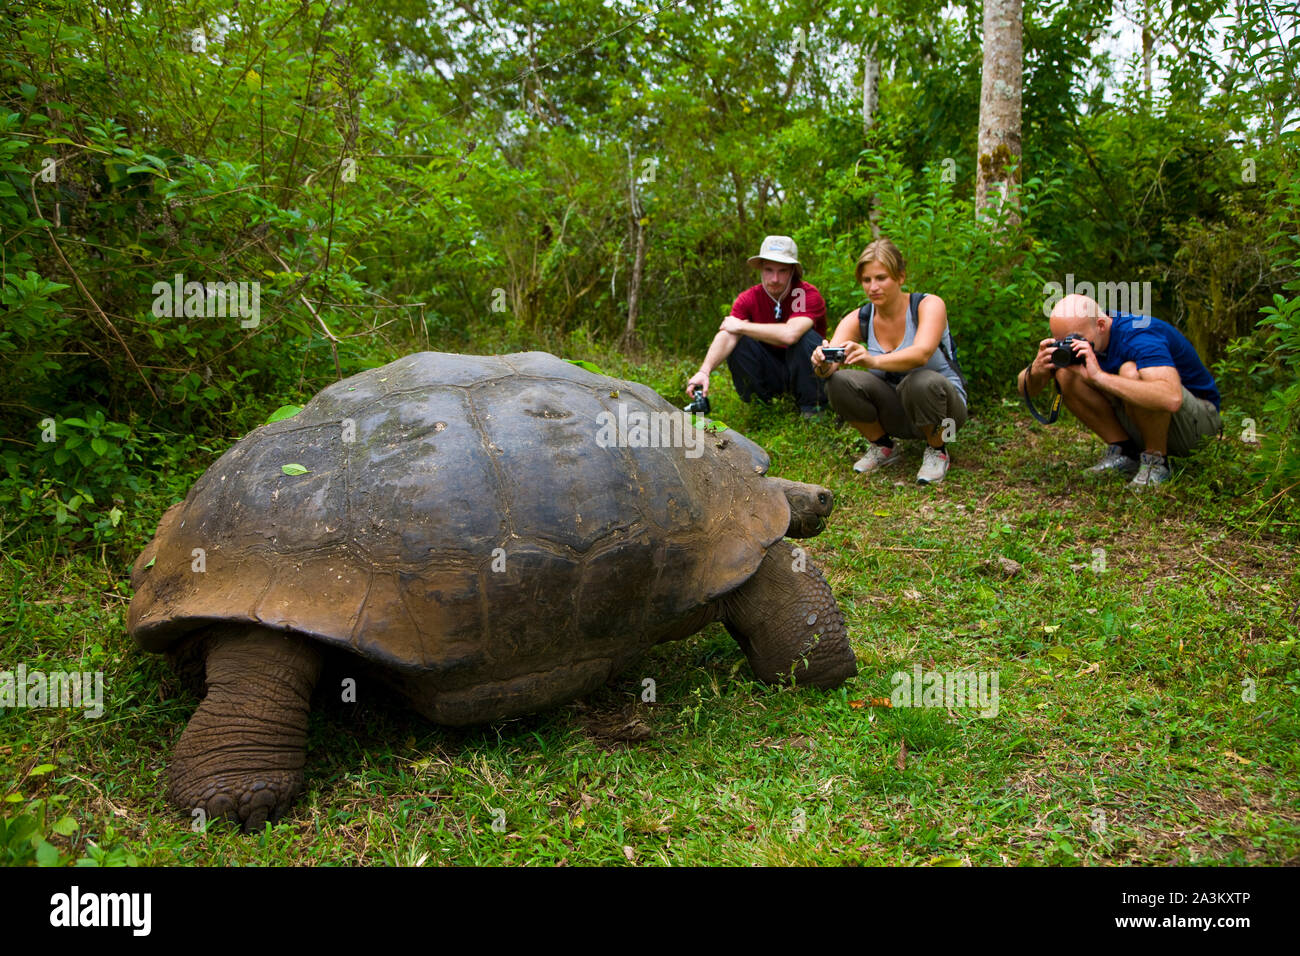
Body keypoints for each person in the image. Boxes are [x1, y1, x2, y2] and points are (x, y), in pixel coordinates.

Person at [1016, 293, 1221, 488]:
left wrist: (1098, 377)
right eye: (1062, 341)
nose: (1070, 346)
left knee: (1130, 372)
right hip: (1151, 421)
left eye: (1074, 339)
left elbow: (1171, 398)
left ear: (1101, 325)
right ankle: (1125, 453)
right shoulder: (1088, 333)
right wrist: (1037, 369)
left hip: (1196, 426)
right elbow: (1025, 390)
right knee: (1067, 374)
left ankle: (1155, 461)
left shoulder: (1139, 334)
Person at [812, 238, 968, 485]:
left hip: (947, 417)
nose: (873, 287)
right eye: (866, 280)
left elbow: (922, 354)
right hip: (899, 411)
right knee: (838, 381)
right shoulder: (860, 318)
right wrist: (822, 362)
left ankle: (937, 449)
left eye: (881, 278)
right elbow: (831, 365)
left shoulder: (928, 305)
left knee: (920, 381)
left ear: (900, 277)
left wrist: (871, 360)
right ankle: (883, 446)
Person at [686, 235, 828, 418]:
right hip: (773, 371)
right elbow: (727, 333)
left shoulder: (804, 294)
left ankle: (813, 409)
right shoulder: (749, 298)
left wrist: (742, 327)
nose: (775, 279)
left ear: (793, 271)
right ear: (760, 269)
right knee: (738, 341)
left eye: (782, 271)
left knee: (805, 337)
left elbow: (790, 334)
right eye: (769, 270)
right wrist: (704, 371)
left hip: (808, 372)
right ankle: (763, 408)